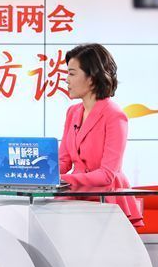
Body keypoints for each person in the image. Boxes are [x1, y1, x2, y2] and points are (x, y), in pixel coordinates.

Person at [59, 43, 143, 227]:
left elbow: (107, 175)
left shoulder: (114, 115)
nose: (66, 80)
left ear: (92, 78)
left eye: (72, 74)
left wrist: (62, 180)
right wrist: (39, 174)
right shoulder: (72, 112)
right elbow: (63, 161)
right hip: (76, 196)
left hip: (105, 198)